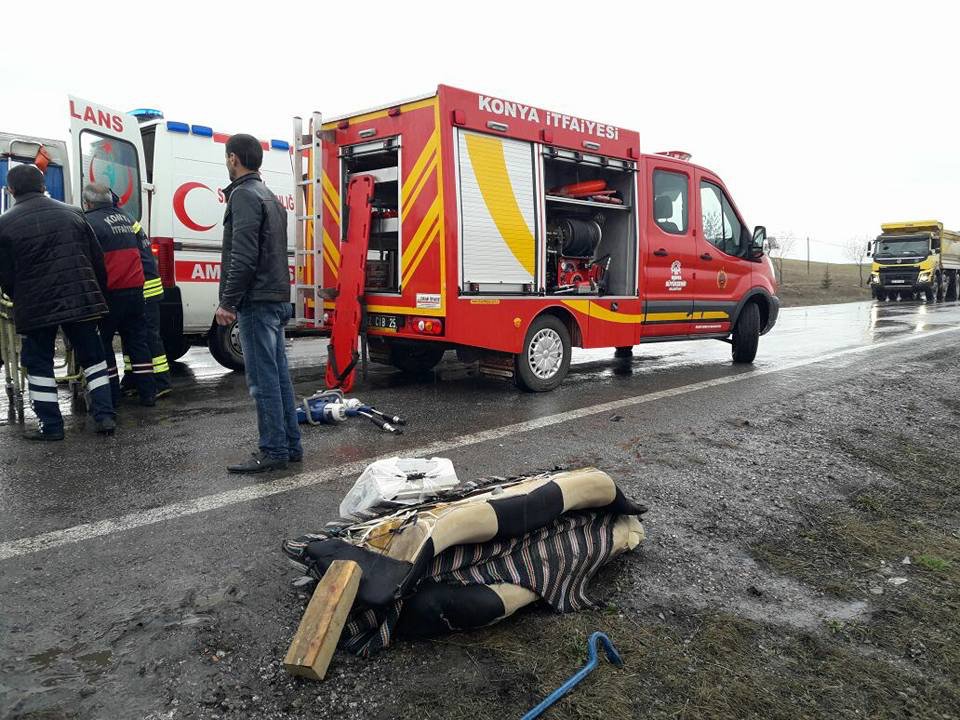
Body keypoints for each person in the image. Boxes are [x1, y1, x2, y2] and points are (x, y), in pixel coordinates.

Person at [0, 164, 115, 440]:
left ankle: (51, 426)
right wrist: (94, 292)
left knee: (38, 362)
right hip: (82, 298)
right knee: (94, 358)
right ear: (43, 186)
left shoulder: (5, 223)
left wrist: (19, 296)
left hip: (36, 304)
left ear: (11, 190)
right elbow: (97, 260)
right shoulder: (75, 213)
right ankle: (105, 416)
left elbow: (5, 274)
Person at [217, 133, 301, 473]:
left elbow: (244, 256)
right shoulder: (269, 196)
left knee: (263, 381)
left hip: (258, 301)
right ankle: (289, 446)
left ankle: (273, 451)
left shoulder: (244, 197)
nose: (227, 163)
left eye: (227, 158)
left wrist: (228, 302)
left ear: (234, 159)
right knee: (278, 377)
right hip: (276, 296)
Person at [82, 183, 156, 407]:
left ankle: (113, 395)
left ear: (88, 203)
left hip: (109, 294)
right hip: (135, 292)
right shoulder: (127, 219)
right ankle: (148, 394)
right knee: (137, 343)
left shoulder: (89, 222)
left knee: (104, 344)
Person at [118, 198, 172, 399]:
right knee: (131, 336)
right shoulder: (126, 219)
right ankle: (133, 377)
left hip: (145, 288)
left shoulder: (122, 221)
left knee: (150, 336)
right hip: (142, 287)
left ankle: (161, 381)